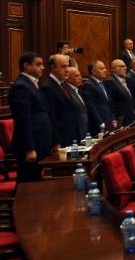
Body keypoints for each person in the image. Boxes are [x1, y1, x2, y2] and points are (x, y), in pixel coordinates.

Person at [9, 53, 53, 182]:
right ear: (26, 65)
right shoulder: (21, 86)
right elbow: (24, 119)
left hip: (40, 141)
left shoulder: (33, 83)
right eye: (38, 64)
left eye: (42, 64)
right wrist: (29, 149)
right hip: (31, 145)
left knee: (37, 182)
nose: (43, 67)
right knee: (28, 182)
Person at [41, 54, 80, 147]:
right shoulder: (48, 87)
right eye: (63, 66)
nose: (67, 70)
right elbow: (51, 117)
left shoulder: (63, 84)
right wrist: (56, 141)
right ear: (53, 67)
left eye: (67, 66)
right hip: (61, 139)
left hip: (71, 136)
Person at [81, 60, 115, 134]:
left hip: (108, 123)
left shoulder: (103, 83)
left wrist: (113, 119)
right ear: (93, 71)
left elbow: (108, 104)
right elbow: (91, 107)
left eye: (105, 68)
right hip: (98, 126)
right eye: (101, 68)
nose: (105, 70)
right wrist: (100, 123)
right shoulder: (89, 85)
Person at [105, 59, 135, 126]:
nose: (125, 68)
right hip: (121, 119)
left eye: (125, 66)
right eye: (122, 66)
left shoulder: (125, 80)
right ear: (113, 69)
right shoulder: (110, 81)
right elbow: (111, 103)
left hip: (130, 116)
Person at [63, 68, 88, 139]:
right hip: (75, 133)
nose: (81, 78)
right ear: (69, 78)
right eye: (77, 76)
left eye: (80, 75)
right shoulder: (67, 91)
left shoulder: (77, 90)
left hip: (84, 130)